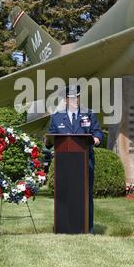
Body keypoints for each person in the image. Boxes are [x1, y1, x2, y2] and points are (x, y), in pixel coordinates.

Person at [47, 85, 104, 234]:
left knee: (86, 194)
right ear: (65, 100)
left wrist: (97, 139)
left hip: (85, 162)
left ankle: (87, 228)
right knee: (64, 193)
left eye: (77, 97)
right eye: (72, 98)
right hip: (64, 164)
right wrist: (47, 141)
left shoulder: (89, 114)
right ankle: (63, 227)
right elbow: (51, 137)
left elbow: (97, 132)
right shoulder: (57, 117)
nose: (75, 100)